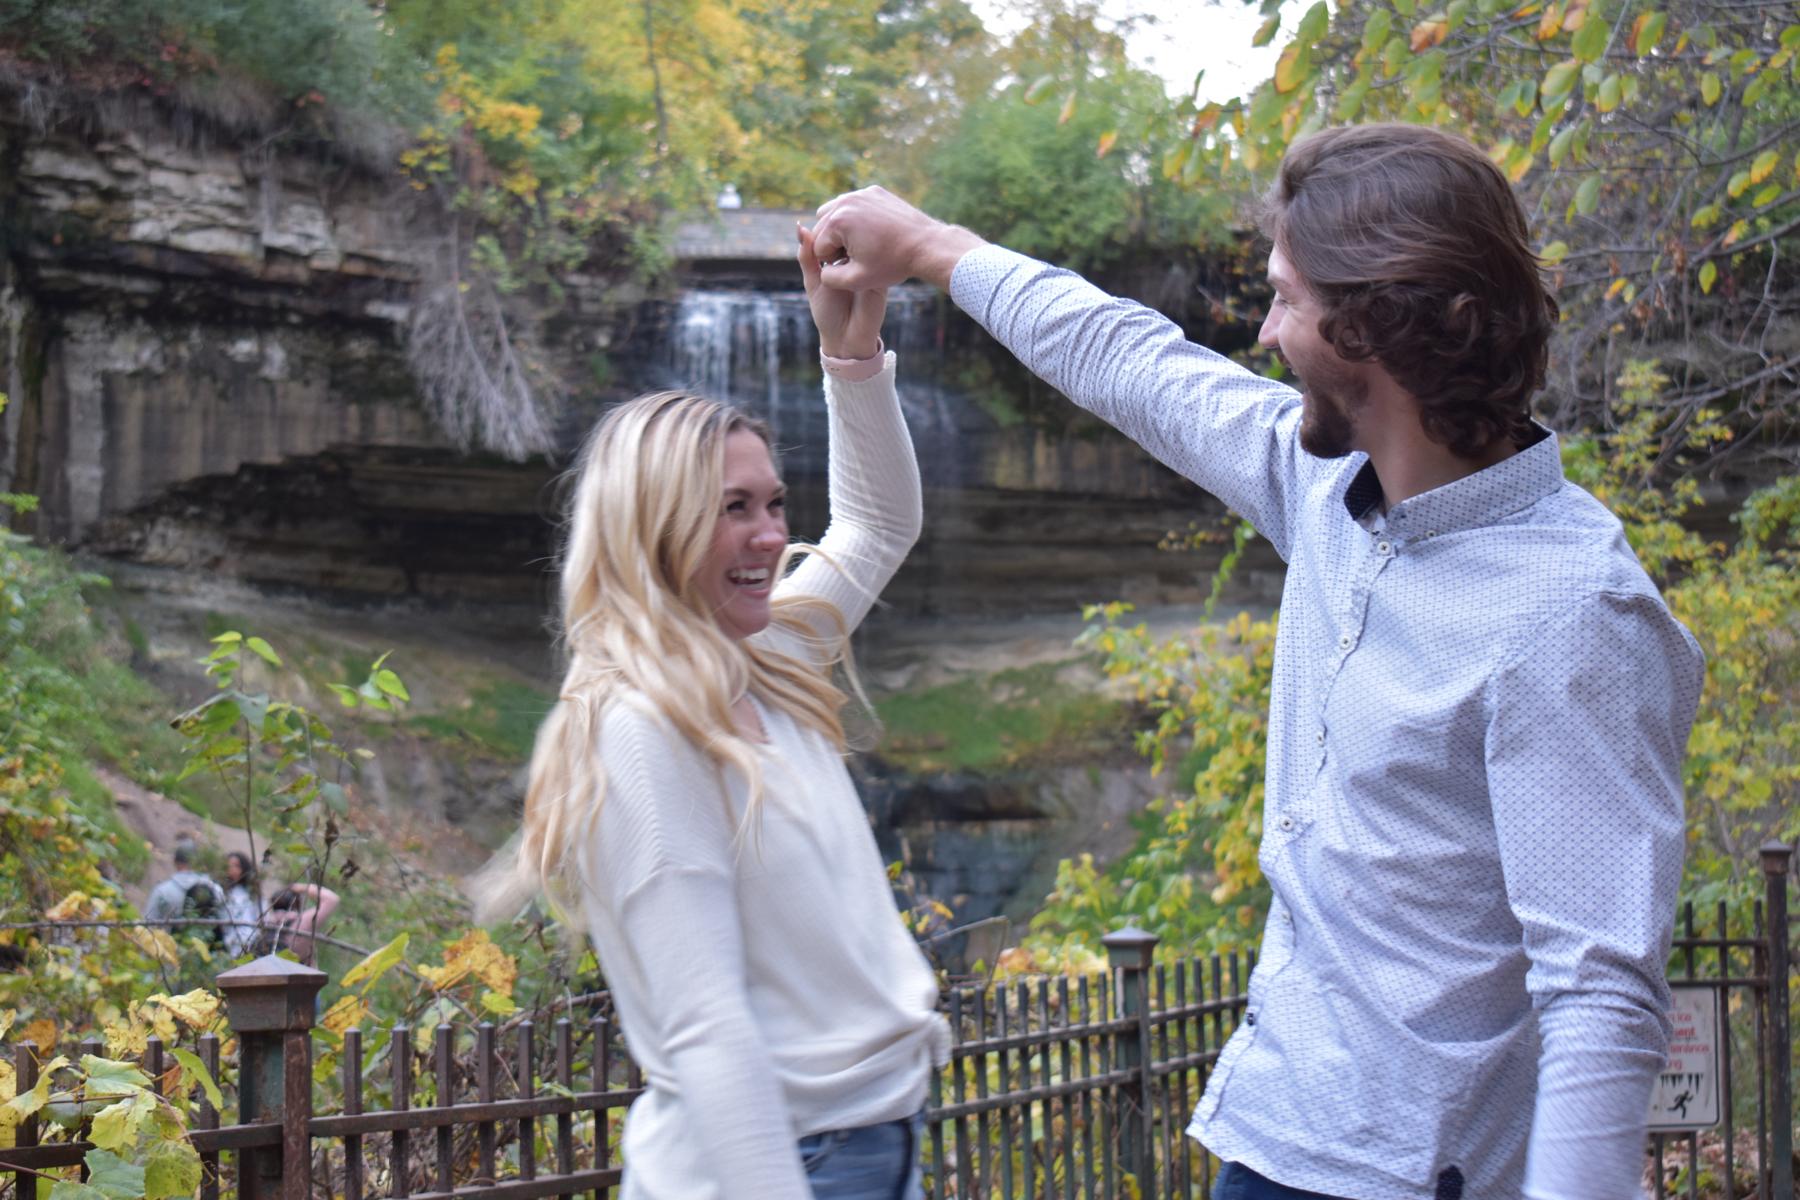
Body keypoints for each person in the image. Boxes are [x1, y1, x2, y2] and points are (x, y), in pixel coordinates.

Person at [808, 123, 1704, 1200]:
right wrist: (932, 247)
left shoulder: (1571, 614)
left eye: (1285, 297)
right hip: (1275, 1135)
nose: (1268, 329)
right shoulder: (1332, 492)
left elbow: (1600, 997)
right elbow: (1133, 361)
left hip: (1414, 1180)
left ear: (1369, 327)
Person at [473, 225, 946, 1200]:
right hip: (780, 1168)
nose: (772, 537)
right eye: (735, 508)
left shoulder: (765, 656)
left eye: (775, 504)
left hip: (867, 1148)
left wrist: (851, 353)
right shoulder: (640, 729)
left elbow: (878, 525)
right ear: (656, 522)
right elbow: (704, 1033)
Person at [143, 838, 228, 949]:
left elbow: (149, 926)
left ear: (176, 862)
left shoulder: (162, 890)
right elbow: (226, 925)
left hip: (170, 955)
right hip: (209, 956)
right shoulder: (216, 889)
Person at [254, 881, 338, 965]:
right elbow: (331, 899)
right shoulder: (302, 922)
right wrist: (299, 887)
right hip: (293, 973)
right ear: (297, 903)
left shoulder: (262, 922)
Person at [220, 850, 263, 957]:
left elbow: (261, 917)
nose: (232, 870)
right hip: (230, 943)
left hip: (251, 942)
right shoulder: (222, 892)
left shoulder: (252, 893)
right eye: (229, 866)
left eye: (236, 866)